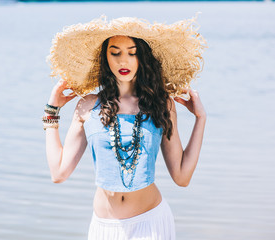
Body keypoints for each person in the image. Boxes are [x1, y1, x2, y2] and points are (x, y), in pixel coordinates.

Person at [43, 16, 207, 240]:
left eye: (132, 52)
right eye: (115, 52)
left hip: (151, 224)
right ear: (105, 56)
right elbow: (59, 173)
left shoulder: (161, 104)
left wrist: (200, 118)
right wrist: (51, 112)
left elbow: (182, 177)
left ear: (143, 57)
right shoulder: (88, 105)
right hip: (104, 228)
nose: (124, 61)